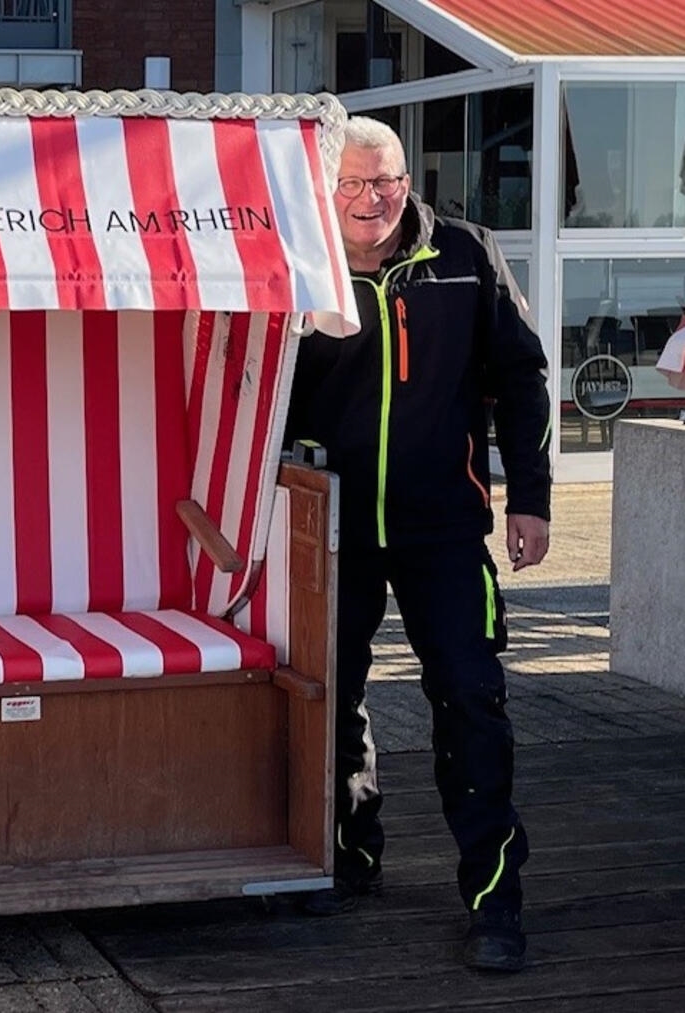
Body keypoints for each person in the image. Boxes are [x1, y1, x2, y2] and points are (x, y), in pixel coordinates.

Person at [286, 117, 551, 973]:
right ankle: (352, 852)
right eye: (354, 185)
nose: (372, 200)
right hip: (335, 531)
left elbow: (521, 376)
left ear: (409, 178)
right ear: (328, 189)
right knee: (333, 696)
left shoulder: (466, 254)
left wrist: (531, 498)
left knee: (472, 700)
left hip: (445, 526)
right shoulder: (304, 265)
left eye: (387, 180)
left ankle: (494, 900)